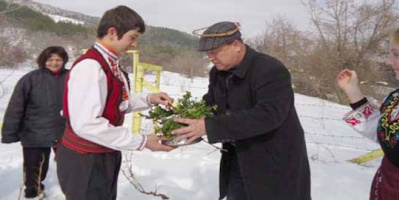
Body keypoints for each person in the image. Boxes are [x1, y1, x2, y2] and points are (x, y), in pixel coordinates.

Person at [172, 21, 311, 200]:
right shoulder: (218, 72)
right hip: (238, 158)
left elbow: (268, 115)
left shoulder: (270, 69)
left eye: (214, 52)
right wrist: (193, 118)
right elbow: (211, 103)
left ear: (236, 45)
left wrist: (209, 127)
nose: (211, 58)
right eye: (207, 53)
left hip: (273, 159)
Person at [56, 5, 175, 200]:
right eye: (133, 37)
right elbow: (87, 123)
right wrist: (142, 141)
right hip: (85, 159)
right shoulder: (91, 67)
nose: (134, 44)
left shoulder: (111, 64)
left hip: (104, 154)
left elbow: (118, 104)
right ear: (112, 32)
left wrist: (149, 98)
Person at [337, 27, 399, 200]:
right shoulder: (395, 98)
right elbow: (382, 132)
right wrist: (353, 91)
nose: (388, 61)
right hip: (386, 186)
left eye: (396, 55)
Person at [1, 46, 69, 198]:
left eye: (58, 59)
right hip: (35, 131)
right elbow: (16, 106)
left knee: (69, 165)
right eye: (50, 59)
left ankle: (71, 191)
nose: (54, 63)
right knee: (35, 167)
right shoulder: (30, 79)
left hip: (65, 130)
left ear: (64, 60)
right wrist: (9, 132)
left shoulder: (72, 77)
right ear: (43, 60)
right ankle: (33, 191)